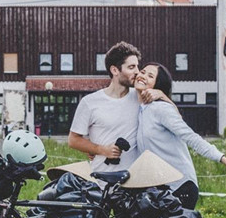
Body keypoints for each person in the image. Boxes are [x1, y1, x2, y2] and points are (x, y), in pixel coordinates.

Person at [134, 62, 226, 209]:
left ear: (158, 85)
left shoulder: (161, 109)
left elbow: (191, 137)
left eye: (150, 76)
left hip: (179, 187)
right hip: (158, 188)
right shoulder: (141, 109)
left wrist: (225, 160)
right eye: (142, 72)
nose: (143, 76)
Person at [68, 42, 173, 172]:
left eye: (137, 66)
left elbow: (175, 117)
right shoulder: (90, 102)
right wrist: (101, 149)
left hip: (137, 178)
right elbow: (73, 140)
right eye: (131, 67)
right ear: (115, 70)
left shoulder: (141, 96)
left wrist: (163, 96)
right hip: (102, 177)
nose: (137, 72)